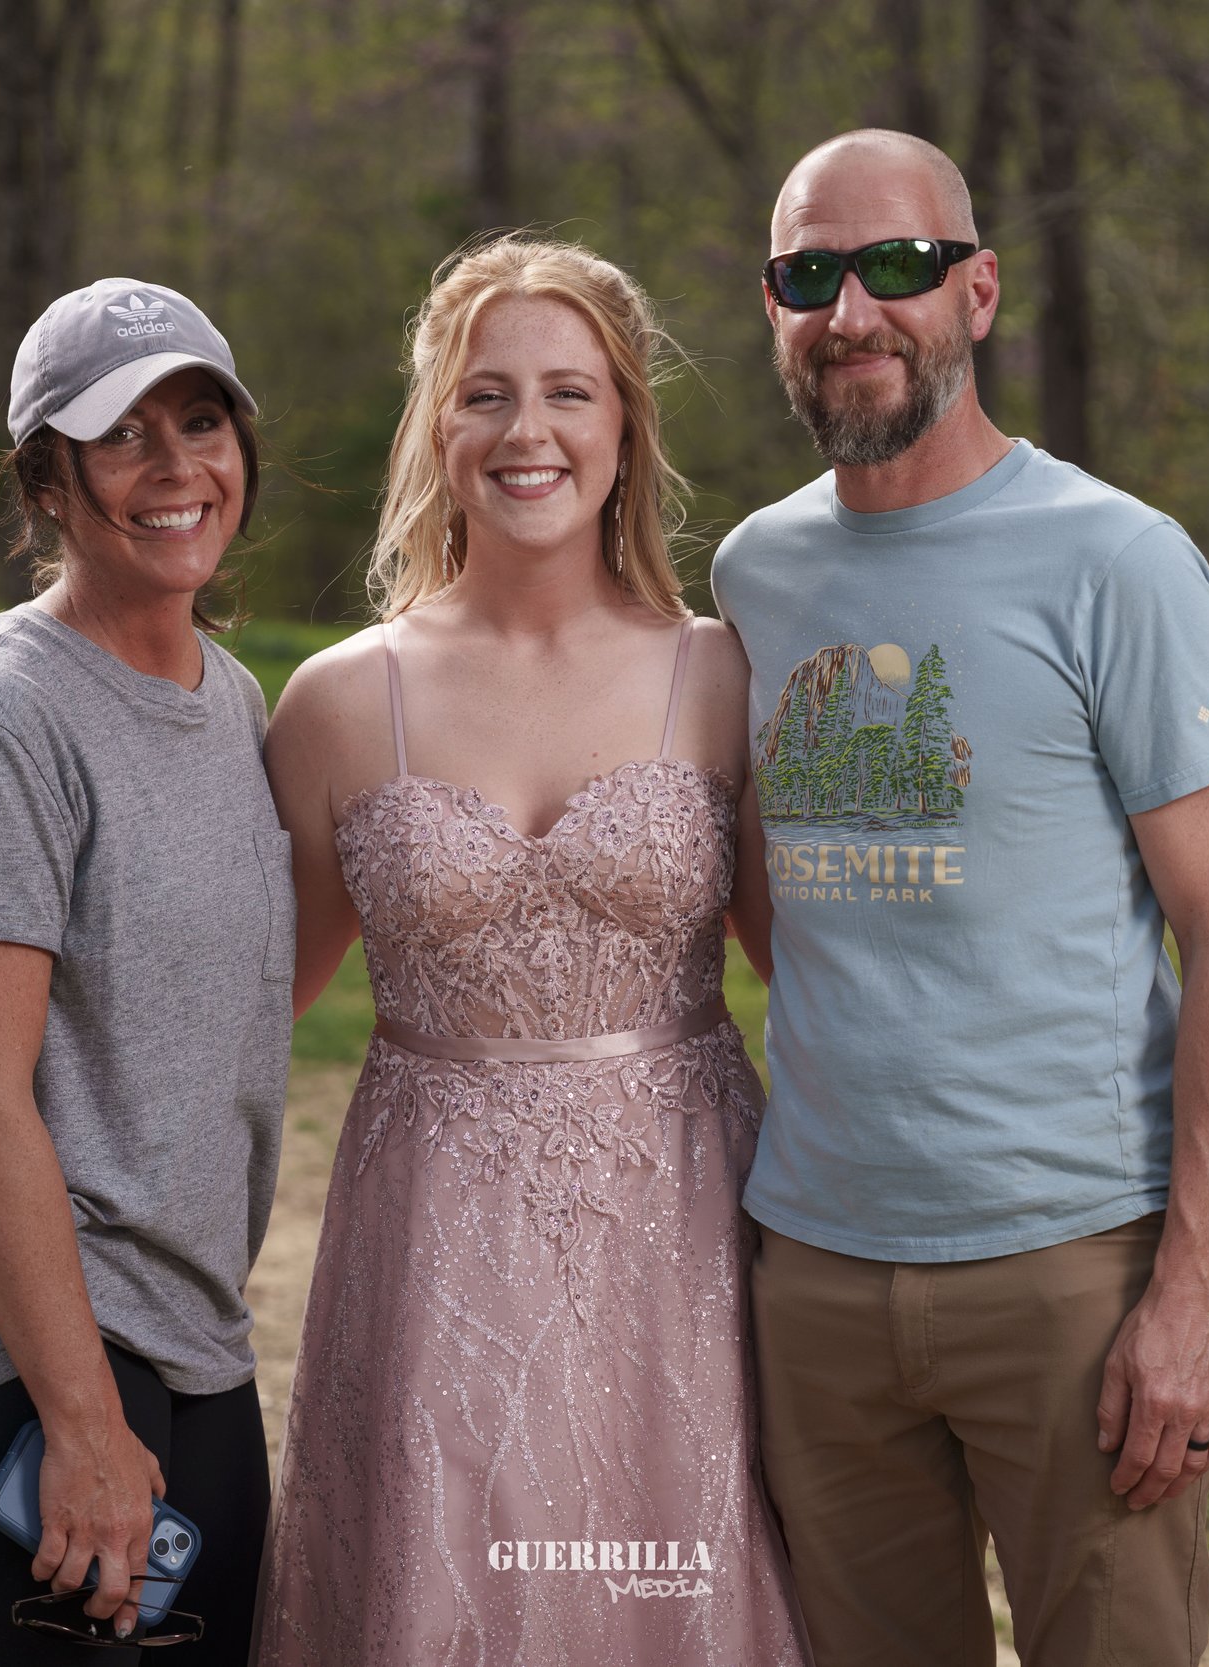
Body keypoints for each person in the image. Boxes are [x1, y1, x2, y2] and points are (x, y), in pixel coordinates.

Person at [712, 131, 1209, 1666]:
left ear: (977, 291)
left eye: (898, 267)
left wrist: (1194, 1299)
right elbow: (775, 897)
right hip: (817, 1273)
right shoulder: (754, 574)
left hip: (1069, 1273)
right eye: (810, 275)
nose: (855, 311)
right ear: (772, 306)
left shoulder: (1118, 559)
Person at [253, 236, 806, 1664]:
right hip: (431, 1233)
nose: (528, 431)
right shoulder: (336, 703)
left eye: (569, 392)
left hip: (677, 1230)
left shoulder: (725, 674)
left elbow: (821, 977)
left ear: (625, 429)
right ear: (436, 431)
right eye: (484, 394)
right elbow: (247, 1009)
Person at [0, 278, 289, 1662]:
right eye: (122, 436)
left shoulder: (234, 704)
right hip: (24, 1355)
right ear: (47, 481)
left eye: (201, 421)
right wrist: (84, 1423)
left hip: (188, 1331)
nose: (176, 470)